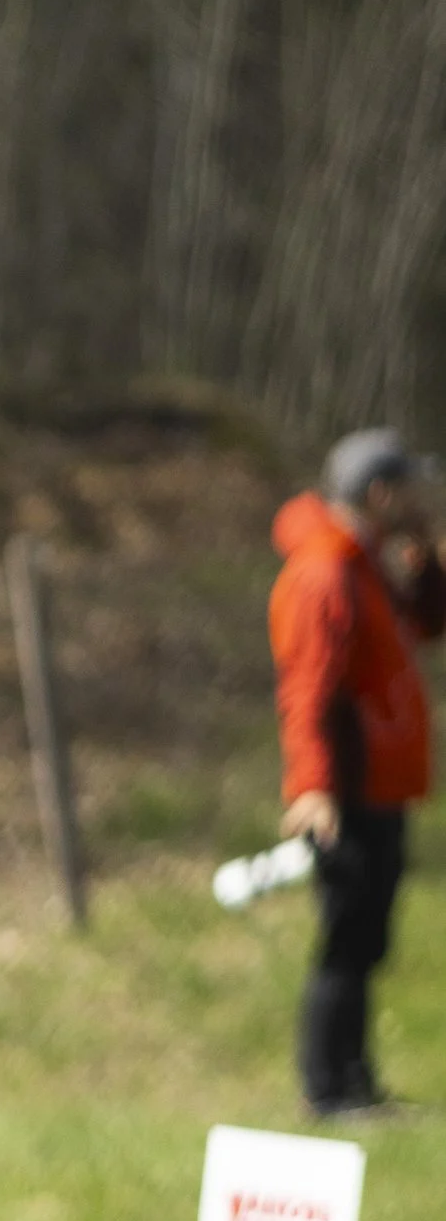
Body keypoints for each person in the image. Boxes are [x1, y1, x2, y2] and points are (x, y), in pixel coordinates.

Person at [271, 427, 445, 1117]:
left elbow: (423, 628)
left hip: (381, 787)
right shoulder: (324, 572)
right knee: (346, 939)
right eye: (405, 488)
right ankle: (328, 1089)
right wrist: (312, 787)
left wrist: (431, 565)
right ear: (378, 493)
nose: (414, 499)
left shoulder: (365, 562)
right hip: (347, 790)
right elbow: (306, 688)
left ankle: (358, 1083)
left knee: (369, 938)